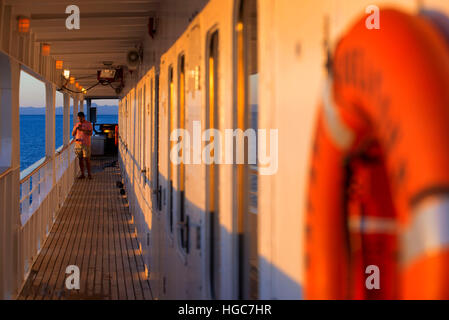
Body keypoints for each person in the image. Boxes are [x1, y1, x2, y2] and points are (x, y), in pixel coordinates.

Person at [72, 112, 93, 179]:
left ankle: (89, 174)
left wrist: (82, 130)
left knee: (87, 159)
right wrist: (76, 129)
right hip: (78, 144)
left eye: (81, 118)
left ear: (84, 117)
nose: (80, 119)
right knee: (80, 159)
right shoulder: (77, 124)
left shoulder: (88, 124)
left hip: (86, 144)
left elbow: (90, 133)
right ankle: (82, 174)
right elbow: (73, 134)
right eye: (78, 118)